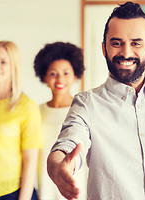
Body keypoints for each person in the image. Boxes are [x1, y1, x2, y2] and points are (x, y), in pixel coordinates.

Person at [47, 2, 145, 200]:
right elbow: (66, 145)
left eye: (136, 43)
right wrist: (58, 169)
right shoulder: (87, 104)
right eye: (116, 43)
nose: (126, 53)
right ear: (104, 48)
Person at [0, 41, 42, 200]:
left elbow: (30, 162)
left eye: (3, 62)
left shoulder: (27, 107)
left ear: (14, 67)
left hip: (16, 193)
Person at [33, 42, 87, 200]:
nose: (60, 79)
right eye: (53, 73)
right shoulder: (36, 111)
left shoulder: (82, 109)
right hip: (44, 186)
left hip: (75, 187)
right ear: (44, 77)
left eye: (66, 73)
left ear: (75, 75)